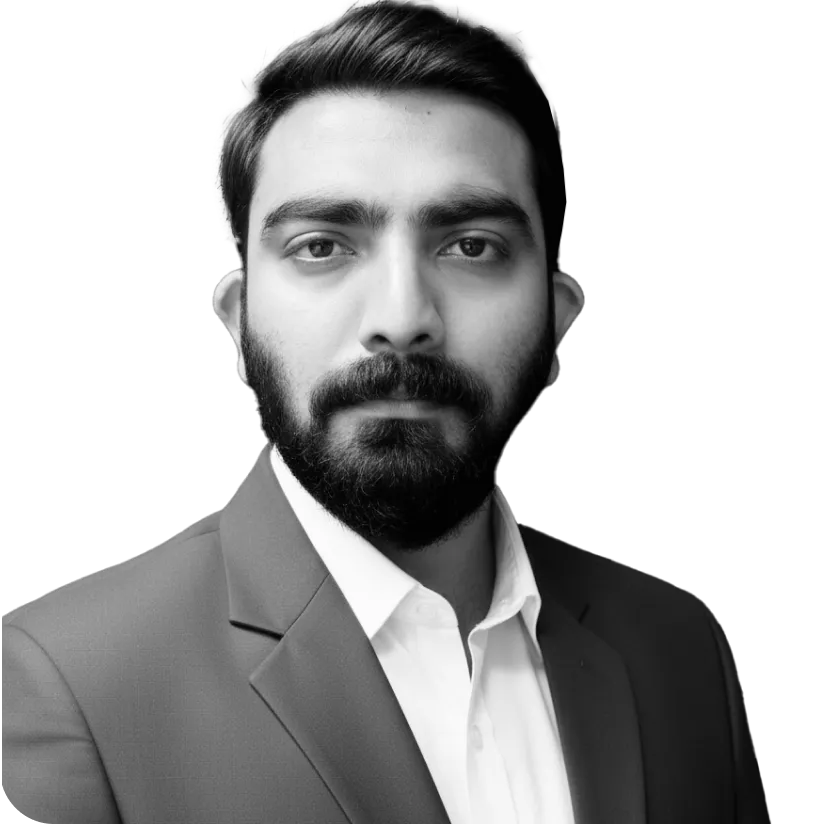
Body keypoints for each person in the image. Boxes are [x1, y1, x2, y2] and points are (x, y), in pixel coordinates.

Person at [0, 2, 769, 822]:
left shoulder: (679, 648)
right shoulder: (62, 681)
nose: (402, 316)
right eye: (322, 245)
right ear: (237, 324)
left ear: (558, 324)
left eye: (471, 245)